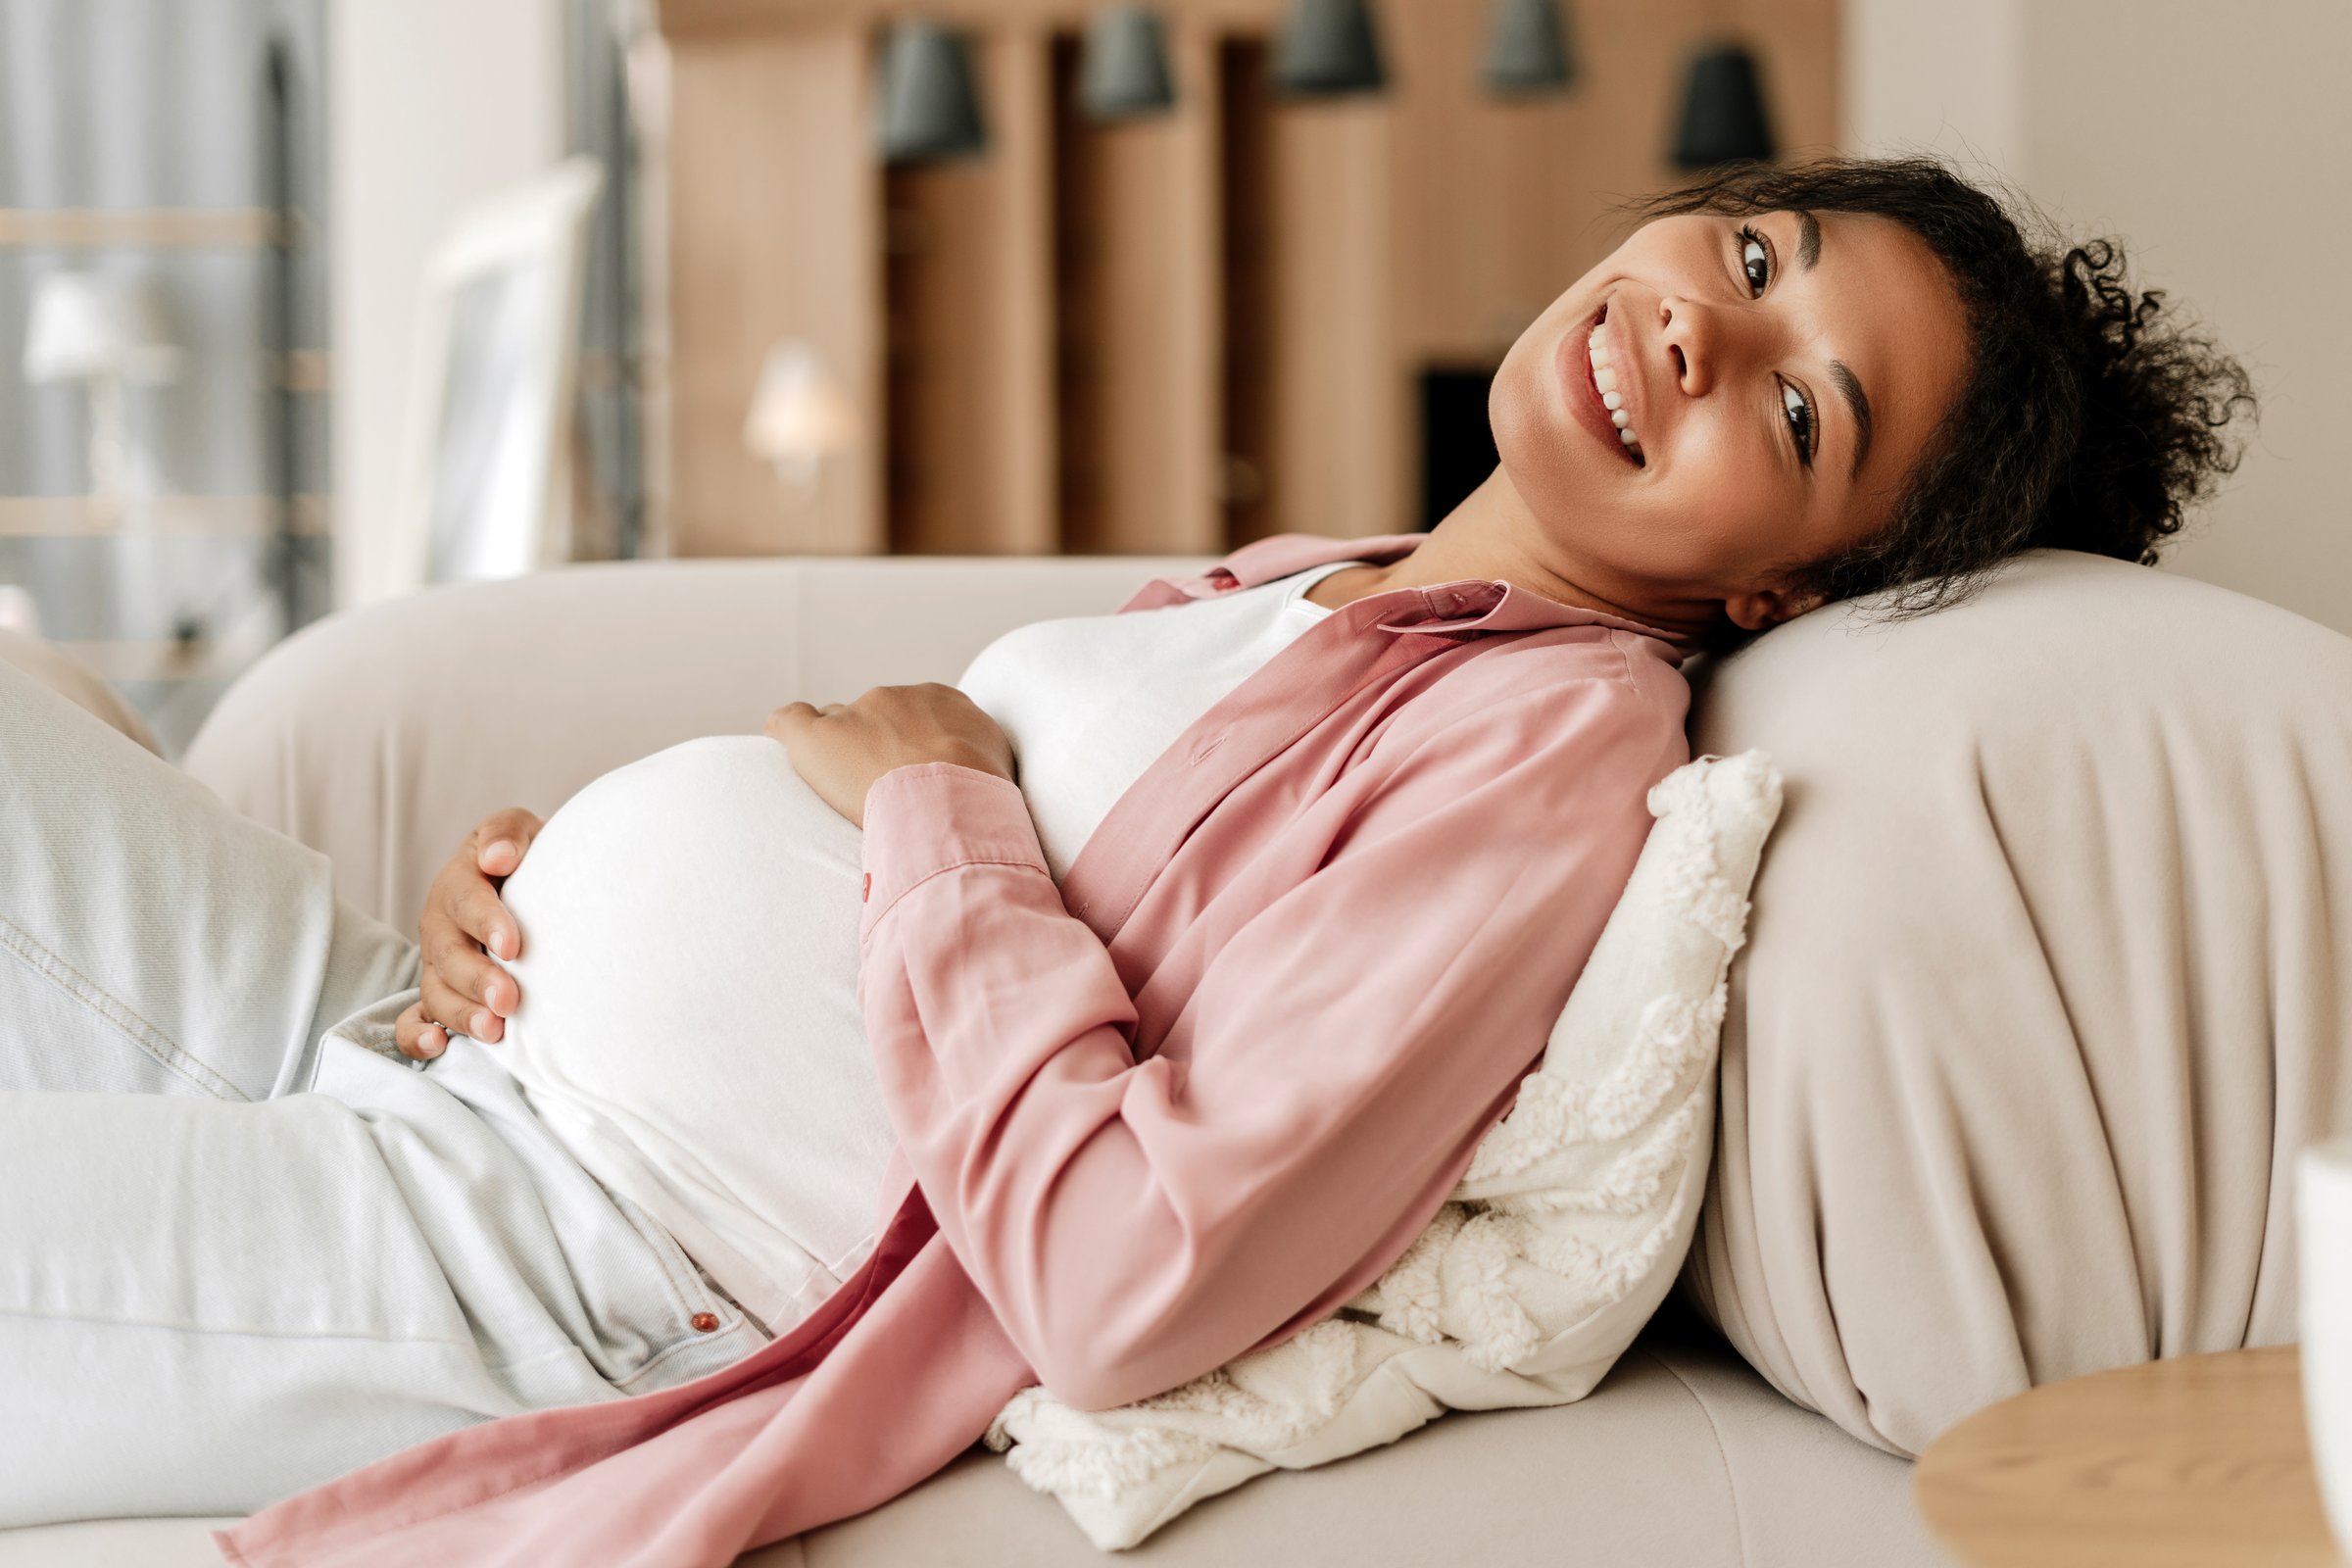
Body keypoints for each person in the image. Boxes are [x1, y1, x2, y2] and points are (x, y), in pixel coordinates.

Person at [2, 156, 2249, 1560]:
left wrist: (930, 806)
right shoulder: (1342, 580)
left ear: (1785, 590)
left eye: (1793, 403)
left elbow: (1129, 1266)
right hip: (425, 1042)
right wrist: (523, 897)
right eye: (1758, 251)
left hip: (566, 1240)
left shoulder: (1546, 756)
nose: (1700, 314)